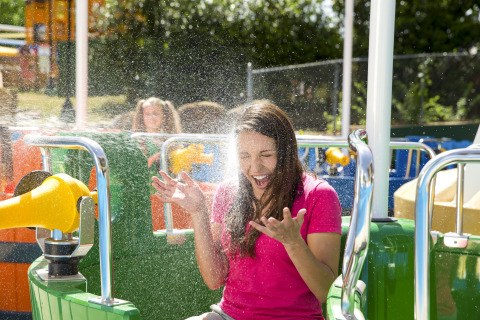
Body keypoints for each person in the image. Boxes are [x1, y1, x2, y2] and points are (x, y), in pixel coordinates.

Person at [152, 102, 341, 320]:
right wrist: (199, 212)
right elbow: (214, 279)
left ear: (286, 151)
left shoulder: (319, 195)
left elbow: (326, 291)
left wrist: (293, 243)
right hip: (229, 315)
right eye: (244, 156)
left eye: (266, 154)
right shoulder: (227, 191)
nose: (255, 167)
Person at [132, 97, 181, 168]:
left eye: (155, 114)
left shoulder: (172, 141)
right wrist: (154, 158)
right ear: (142, 116)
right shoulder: (137, 139)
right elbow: (138, 169)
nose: (151, 117)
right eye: (147, 114)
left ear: (164, 116)